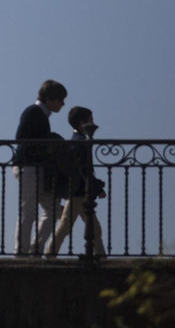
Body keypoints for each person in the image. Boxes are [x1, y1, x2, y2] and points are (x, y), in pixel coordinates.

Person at [13, 79, 67, 256]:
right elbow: (21, 138)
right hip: (28, 166)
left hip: (33, 166)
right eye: (60, 100)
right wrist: (45, 148)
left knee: (51, 209)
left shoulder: (38, 113)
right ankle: (22, 251)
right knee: (29, 211)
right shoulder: (34, 112)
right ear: (50, 98)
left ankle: (32, 249)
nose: (62, 104)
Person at [46, 106, 105, 258]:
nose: (93, 123)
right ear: (82, 122)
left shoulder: (75, 141)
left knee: (91, 228)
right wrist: (97, 188)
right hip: (80, 191)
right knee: (69, 225)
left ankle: (101, 256)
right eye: (90, 120)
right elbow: (84, 169)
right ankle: (50, 252)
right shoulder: (81, 142)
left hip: (78, 190)